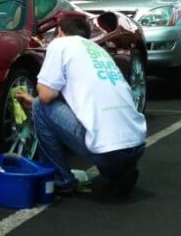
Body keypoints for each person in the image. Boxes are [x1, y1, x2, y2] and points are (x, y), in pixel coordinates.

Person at [16, 17, 147, 197]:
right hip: (137, 143)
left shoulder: (60, 44)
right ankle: (118, 174)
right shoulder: (98, 51)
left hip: (108, 150)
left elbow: (46, 96)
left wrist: (37, 95)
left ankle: (61, 180)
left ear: (59, 32)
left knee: (40, 106)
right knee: (104, 138)